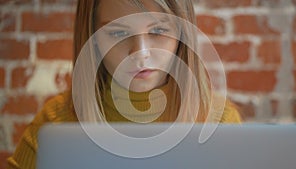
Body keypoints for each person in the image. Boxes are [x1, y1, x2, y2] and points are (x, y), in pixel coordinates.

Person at [7, 0, 242, 168]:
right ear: (92, 38)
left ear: (182, 34)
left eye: (158, 30)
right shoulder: (54, 126)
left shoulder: (220, 123)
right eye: (118, 33)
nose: (140, 53)